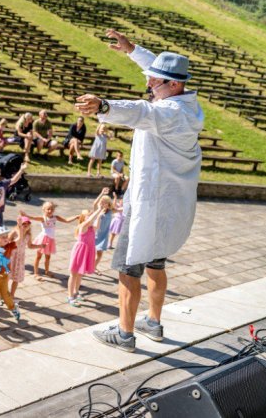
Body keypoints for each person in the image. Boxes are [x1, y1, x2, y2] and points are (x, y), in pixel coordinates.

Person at [76, 29, 203, 352]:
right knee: (156, 264)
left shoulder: (168, 113)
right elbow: (157, 75)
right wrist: (133, 50)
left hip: (147, 203)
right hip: (169, 206)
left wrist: (104, 106)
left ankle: (125, 333)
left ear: (174, 86)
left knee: (127, 267)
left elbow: (140, 112)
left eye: (155, 82)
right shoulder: (186, 105)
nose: (149, 84)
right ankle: (153, 322)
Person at [21, 202, 78, 279]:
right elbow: (32, 217)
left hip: (51, 240)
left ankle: (47, 271)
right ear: (44, 210)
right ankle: (36, 273)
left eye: (52, 209)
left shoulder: (55, 217)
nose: (50, 211)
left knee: (48, 257)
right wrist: (25, 215)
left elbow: (66, 220)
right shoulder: (43, 218)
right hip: (43, 239)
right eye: (48, 209)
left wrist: (76, 216)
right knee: (38, 256)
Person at [67, 207, 105, 307]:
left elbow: (96, 224)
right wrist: (98, 210)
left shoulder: (92, 228)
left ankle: (76, 292)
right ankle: (70, 297)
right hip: (80, 252)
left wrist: (100, 215)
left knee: (80, 274)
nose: (91, 217)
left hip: (87, 252)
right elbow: (89, 220)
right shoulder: (82, 226)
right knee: (73, 274)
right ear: (84, 218)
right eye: (88, 215)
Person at [91, 189, 115, 275]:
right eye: (101, 202)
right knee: (90, 252)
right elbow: (94, 203)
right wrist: (101, 193)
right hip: (95, 234)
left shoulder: (111, 211)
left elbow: (120, 209)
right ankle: (89, 266)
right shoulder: (98, 210)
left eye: (105, 202)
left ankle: (94, 267)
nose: (102, 203)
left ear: (108, 204)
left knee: (99, 254)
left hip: (103, 236)